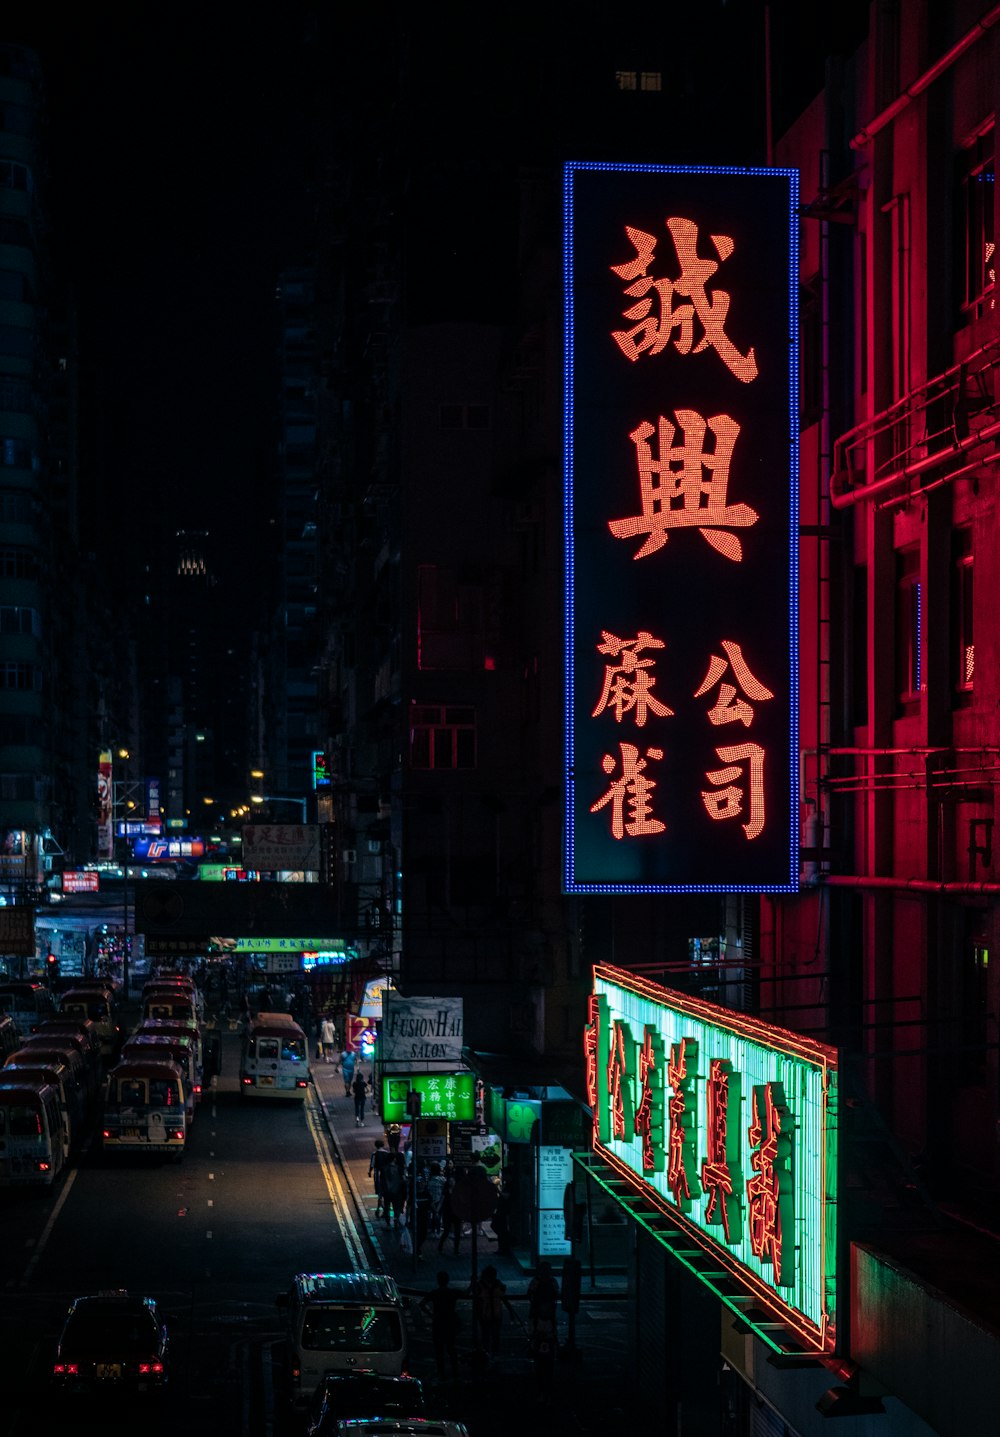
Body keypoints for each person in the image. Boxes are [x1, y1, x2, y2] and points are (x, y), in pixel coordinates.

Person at [419, 1270, 464, 1381]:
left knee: (439, 1350)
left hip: (438, 1323)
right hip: (450, 1322)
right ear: (447, 1280)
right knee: (451, 1348)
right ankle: (455, 1372)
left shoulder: (435, 1293)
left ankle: (441, 1373)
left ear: (438, 1281)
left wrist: (431, 1315)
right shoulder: (452, 1292)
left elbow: (422, 1304)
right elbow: (466, 1293)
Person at [527, 1261, 560, 1400]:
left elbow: (529, 1294)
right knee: (545, 1364)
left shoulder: (537, 1282)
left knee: (542, 1364)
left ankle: (543, 1388)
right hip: (544, 1329)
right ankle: (546, 1387)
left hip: (541, 1327)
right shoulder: (552, 1282)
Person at [473, 1264, 515, 1356]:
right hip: (488, 1314)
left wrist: (511, 1311)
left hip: (494, 1314)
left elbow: (503, 1298)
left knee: (493, 1335)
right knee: (488, 1335)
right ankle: (489, 1353)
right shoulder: (485, 1285)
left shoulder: (495, 1285)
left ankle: (492, 1353)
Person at [369, 1138, 389, 1217]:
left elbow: (372, 1164)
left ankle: (382, 1210)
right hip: (386, 1176)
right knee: (384, 1193)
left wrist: (370, 1172)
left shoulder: (375, 1154)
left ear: (376, 1146)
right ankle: (380, 1209)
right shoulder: (387, 1153)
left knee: (380, 1193)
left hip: (378, 1176)